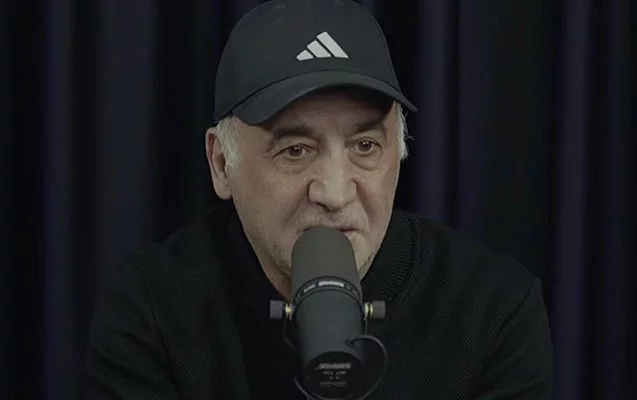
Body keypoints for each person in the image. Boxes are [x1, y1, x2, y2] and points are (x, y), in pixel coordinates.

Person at [84, 0, 555, 399]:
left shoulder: (494, 312)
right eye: (295, 151)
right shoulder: (153, 310)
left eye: (365, 146)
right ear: (222, 164)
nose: (333, 193)